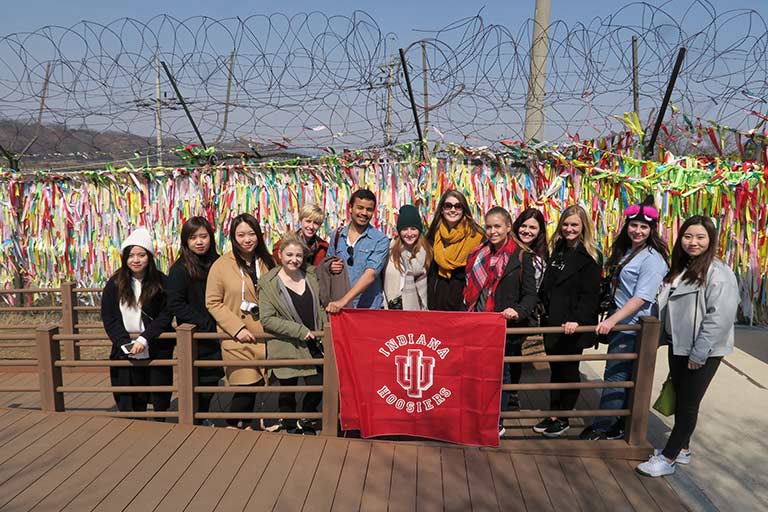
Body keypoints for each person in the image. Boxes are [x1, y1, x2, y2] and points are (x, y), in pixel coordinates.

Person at [636, 216, 739, 478]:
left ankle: (667, 458)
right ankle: (683, 448)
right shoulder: (683, 267)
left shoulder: (719, 272)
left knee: (689, 404)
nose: (693, 242)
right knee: (681, 397)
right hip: (678, 345)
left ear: (711, 240)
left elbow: (720, 317)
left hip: (701, 349)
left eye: (700, 237)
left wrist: (699, 352)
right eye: (688, 236)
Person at [580, 199, 669, 441]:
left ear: (652, 230)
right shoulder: (629, 250)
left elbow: (642, 297)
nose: (637, 231)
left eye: (644, 227)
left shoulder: (653, 259)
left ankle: (605, 425)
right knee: (621, 374)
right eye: (634, 225)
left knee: (617, 375)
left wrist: (612, 321)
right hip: (621, 321)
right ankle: (617, 421)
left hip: (633, 325)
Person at [465, 207, 538, 437]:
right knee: (476, 372)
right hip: (478, 323)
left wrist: (517, 311)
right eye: (488, 226)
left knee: (500, 374)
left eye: (497, 226)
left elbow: (530, 294)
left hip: (503, 326)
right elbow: (469, 290)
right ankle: (476, 415)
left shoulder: (521, 255)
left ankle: (496, 420)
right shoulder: (478, 253)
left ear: (508, 227)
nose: (492, 231)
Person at [534, 205, 602, 438]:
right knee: (556, 370)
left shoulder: (591, 256)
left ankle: (563, 417)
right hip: (553, 321)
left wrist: (578, 320)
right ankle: (554, 412)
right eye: (566, 224)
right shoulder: (559, 250)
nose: (569, 229)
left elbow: (590, 295)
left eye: (574, 224)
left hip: (573, 326)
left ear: (583, 226)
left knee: (569, 370)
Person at [206, 213, 276, 429]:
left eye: (251, 234)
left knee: (259, 382)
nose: (247, 239)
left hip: (264, 333)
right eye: (241, 234)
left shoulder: (266, 261)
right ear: (233, 237)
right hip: (237, 336)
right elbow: (213, 302)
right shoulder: (221, 265)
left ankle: (248, 424)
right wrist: (237, 329)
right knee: (245, 382)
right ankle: (234, 424)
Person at [101, 228, 173, 415]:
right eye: (131, 255)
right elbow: (108, 316)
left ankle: (161, 423)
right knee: (131, 396)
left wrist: (144, 338)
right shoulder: (115, 283)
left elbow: (166, 314)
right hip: (126, 347)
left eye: (141, 255)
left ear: (149, 256)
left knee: (159, 395)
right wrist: (123, 342)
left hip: (155, 345)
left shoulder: (161, 282)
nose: (136, 259)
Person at [259, 232, 326, 434]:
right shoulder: (268, 283)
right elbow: (267, 318)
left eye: (298, 255)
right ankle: (288, 424)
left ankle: (307, 417)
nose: (294, 260)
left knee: (319, 383)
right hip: (286, 343)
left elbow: (322, 304)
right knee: (287, 386)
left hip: (314, 342)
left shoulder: (312, 275)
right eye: (289, 255)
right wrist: (298, 330)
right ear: (280, 254)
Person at [166, 216, 223, 425]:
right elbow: (175, 303)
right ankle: (195, 419)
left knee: (213, 376)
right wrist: (205, 323)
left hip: (219, 329)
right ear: (185, 241)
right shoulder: (179, 269)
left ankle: (202, 415)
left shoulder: (219, 263)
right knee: (198, 377)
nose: (199, 242)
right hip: (195, 333)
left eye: (203, 236)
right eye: (193, 238)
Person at [325, 189, 390, 312]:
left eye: (369, 209)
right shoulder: (337, 235)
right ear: (350, 208)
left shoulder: (380, 240)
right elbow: (328, 263)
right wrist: (331, 266)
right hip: (338, 309)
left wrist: (344, 301)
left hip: (367, 308)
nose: (364, 213)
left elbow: (370, 274)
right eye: (360, 208)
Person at [426, 190, 484, 311]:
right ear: (442, 209)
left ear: (464, 210)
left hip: (462, 300)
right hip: (436, 299)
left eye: (458, 206)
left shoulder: (477, 236)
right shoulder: (433, 234)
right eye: (448, 206)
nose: (453, 210)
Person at [383, 205, 433, 310]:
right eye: (405, 229)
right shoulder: (389, 250)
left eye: (413, 229)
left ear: (419, 230)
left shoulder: (427, 252)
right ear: (399, 230)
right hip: (391, 309)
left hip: (415, 312)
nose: (409, 234)